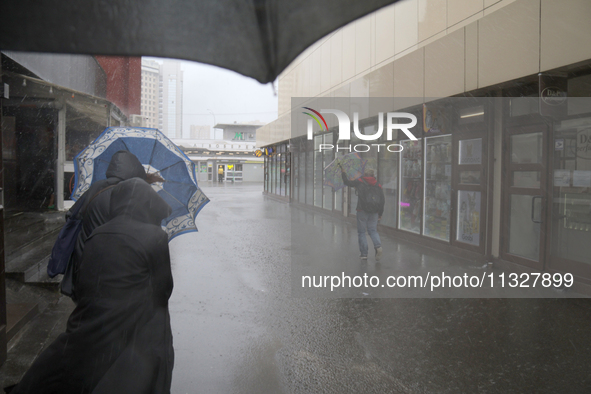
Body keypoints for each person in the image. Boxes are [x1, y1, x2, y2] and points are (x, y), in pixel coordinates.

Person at [10, 178, 174, 393]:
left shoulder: (99, 232)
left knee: (72, 359)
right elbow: (163, 289)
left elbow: (87, 276)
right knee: (143, 357)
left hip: (93, 313)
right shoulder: (155, 236)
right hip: (132, 315)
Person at [64, 150, 148, 299]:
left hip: (85, 257)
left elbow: (72, 215)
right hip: (112, 266)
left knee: (88, 308)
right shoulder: (128, 194)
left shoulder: (96, 187)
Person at [341, 167, 384, 261]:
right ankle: (378, 246)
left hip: (362, 210)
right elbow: (382, 200)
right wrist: (380, 213)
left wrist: (343, 172)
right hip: (374, 212)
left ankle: (364, 254)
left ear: (364, 175)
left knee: (361, 232)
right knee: (373, 230)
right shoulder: (378, 185)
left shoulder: (360, 182)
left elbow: (347, 182)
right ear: (373, 175)